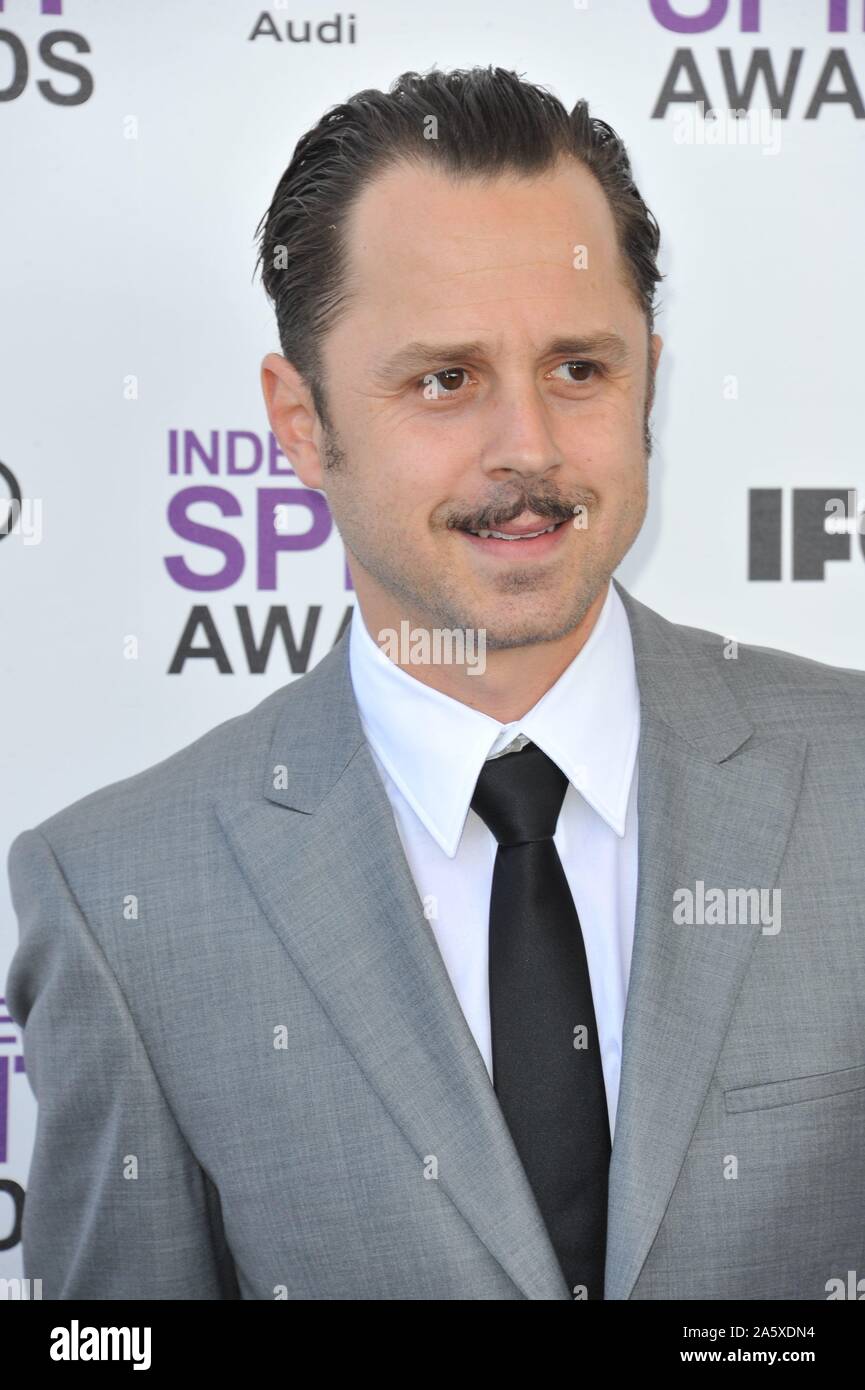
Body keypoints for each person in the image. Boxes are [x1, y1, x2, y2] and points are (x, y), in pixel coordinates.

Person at [6, 66, 865, 1301]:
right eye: (444, 380)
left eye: (579, 369)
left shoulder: (845, 783)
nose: (527, 446)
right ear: (298, 424)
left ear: (650, 384)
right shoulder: (121, 900)